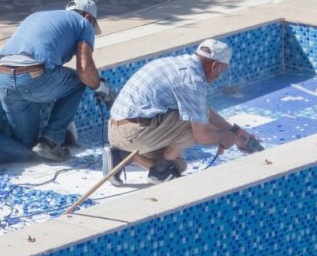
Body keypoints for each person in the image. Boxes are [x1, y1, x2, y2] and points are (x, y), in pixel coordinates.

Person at [0, 0, 116, 170]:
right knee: (79, 82)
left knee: (28, 145)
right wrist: (101, 88)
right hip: (33, 76)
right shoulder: (84, 24)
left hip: (4, 76)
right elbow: (85, 70)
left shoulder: (39, 17)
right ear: (88, 17)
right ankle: (51, 141)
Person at [105, 38, 258, 183]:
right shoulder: (192, 80)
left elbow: (203, 109)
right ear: (215, 66)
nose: (219, 76)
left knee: (179, 165)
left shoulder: (178, 64)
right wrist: (225, 137)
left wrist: (236, 133)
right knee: (193, 125)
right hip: (132, 134)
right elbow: (201, 135)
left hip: (116, 130)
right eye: (221, 71)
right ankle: (160, 171)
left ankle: (122, 155)